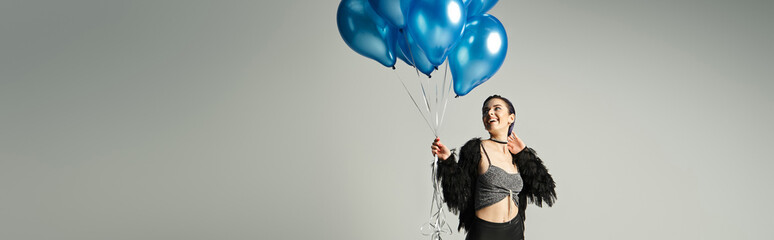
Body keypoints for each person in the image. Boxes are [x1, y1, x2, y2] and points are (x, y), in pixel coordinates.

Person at [431, 95, 556, 240]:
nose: (489, 113)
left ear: (511, 118)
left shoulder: (518, 155)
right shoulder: (476, 149)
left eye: (496, 108)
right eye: (485, 111)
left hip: (515, 231)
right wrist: (447, 161)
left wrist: (524, 154)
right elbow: (458, 194)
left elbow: (545, 190)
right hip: (485, 232)